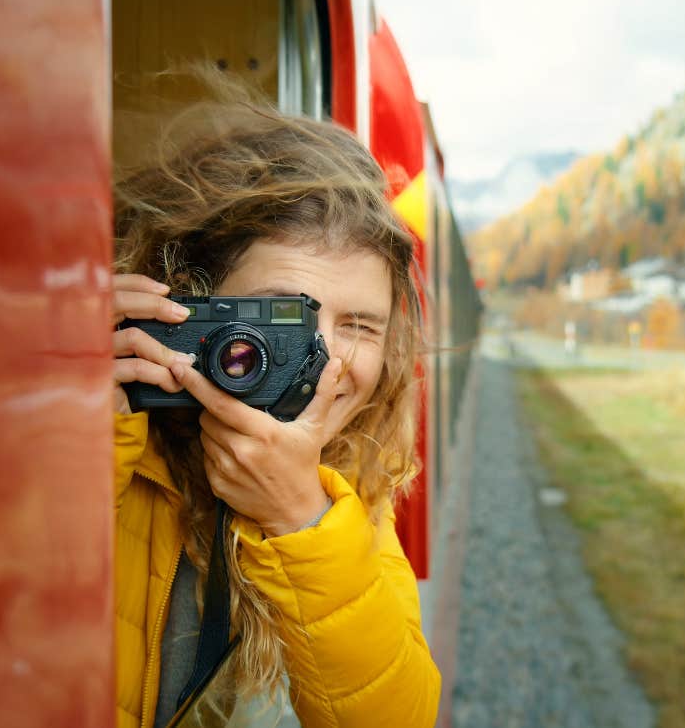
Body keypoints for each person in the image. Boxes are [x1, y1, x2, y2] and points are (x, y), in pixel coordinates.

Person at [111, 68, 441, 728]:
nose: (322, 367)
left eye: (358, 326)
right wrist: (61, 427)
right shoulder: (110, 435)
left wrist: (301, 518)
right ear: (184, 307)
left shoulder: (349, 495)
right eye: (278, 319)